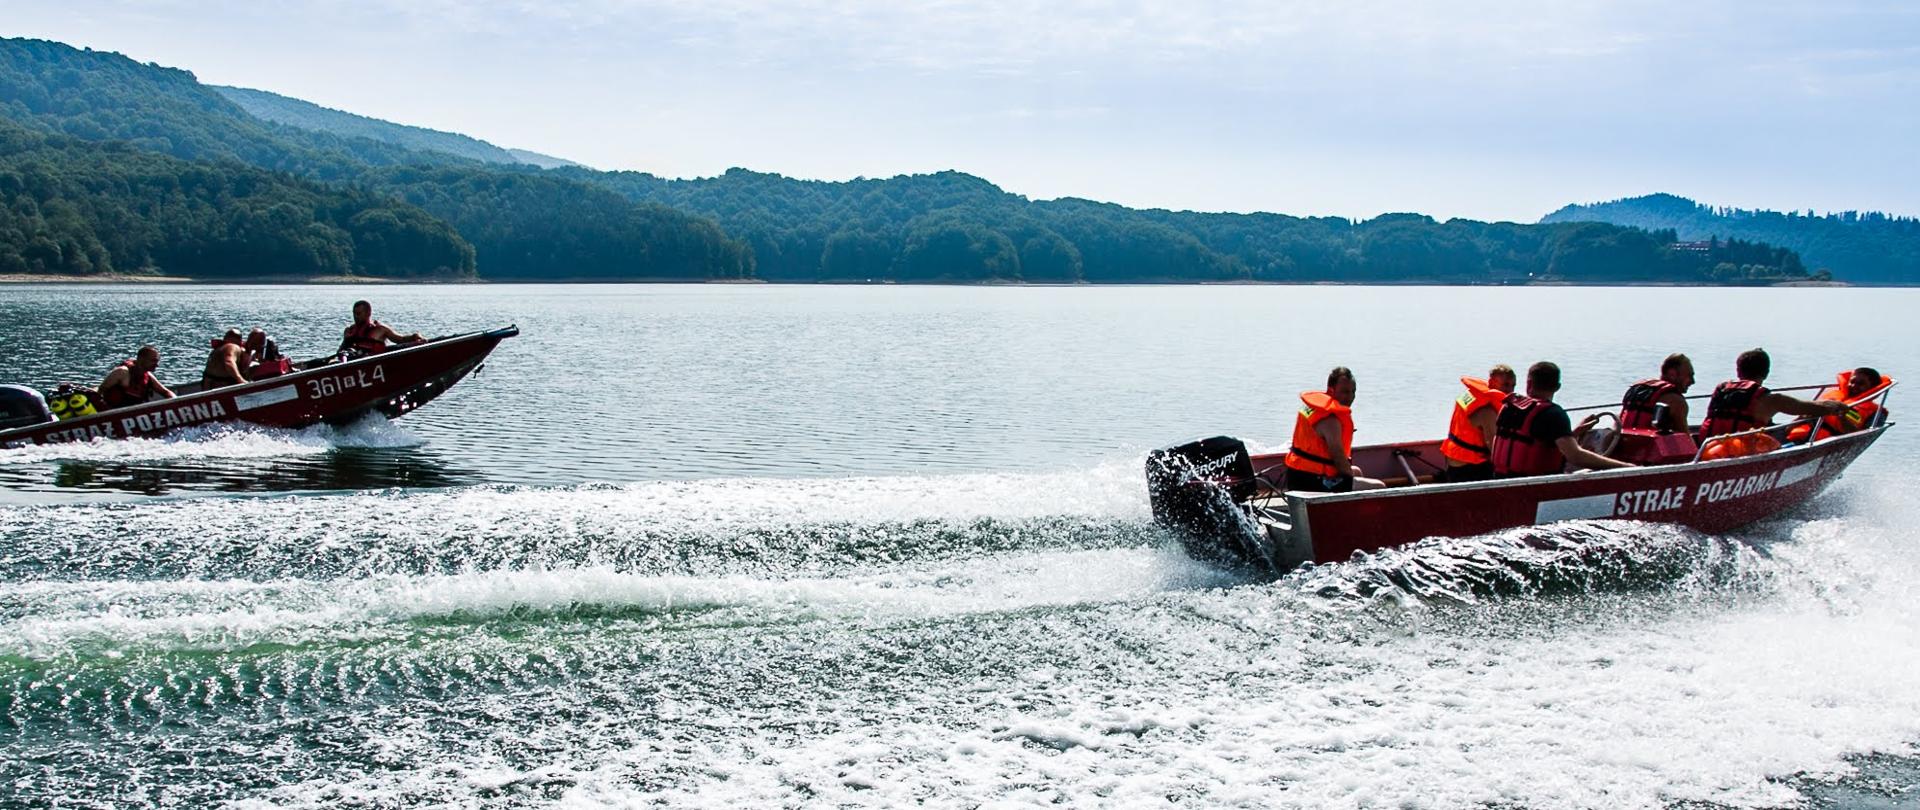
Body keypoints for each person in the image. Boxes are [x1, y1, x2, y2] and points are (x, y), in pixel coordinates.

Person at [1491, 361, 1637, 478]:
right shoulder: (1553, 413)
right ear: (1558, 387)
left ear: (1529, 383)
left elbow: (1535, 441)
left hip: (1501, 481)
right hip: (1535, 489)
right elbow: (1576, 457)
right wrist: (1627, 468)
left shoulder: (1509, 407)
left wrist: (1575, 433)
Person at [1698, 348, 1848, 440]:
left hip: (1708, 448)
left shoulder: (1720, 391)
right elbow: (1810, 408)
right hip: (1741, 452)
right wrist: (1836, 406)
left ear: (1738, 371)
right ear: (1766, 373)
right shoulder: (1771, 400)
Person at [1282, 367, 1387, 493]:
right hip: (1311, 482)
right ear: (1331, 390)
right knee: (1379, 487)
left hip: (1296, 474)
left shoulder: (1315, 409)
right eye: (1345, 392)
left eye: (1353, 392)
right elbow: (1339, 460)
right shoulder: (1330, 420)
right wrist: (1349, 479)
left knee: (1357, 471)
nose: (1350, 397)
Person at [1437, 364, 1517, 483]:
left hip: (1453, 457)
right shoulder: (1487, 410)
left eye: (1513, 385)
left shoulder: (1469, 395)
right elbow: (1495, 449)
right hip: (1468, 466)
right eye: (1505, 385)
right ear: (1491, 382)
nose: (1510, 390)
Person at [1786, 367, 1891, 443]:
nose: (1854, 386)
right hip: (1799, 437)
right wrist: (1805, 415)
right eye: (1852, 382)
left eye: (1861, 384)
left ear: (1872, 387)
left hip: (1829, 443)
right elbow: (1788, 428)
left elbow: (1860, 438)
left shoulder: (1875, 412)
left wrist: (1842, 417)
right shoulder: (1832, 396)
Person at [1618, 353, 1694, 434]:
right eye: (1690, 375)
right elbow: (1685, 440)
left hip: (1624, 443)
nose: (1693, 381)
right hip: (1650, 445)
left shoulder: (1636, 391)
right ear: (1672, 374)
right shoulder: (1676, 401)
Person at [98, 345, 176, 409]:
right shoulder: (122, 372)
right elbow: (99, 393)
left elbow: (166, 392)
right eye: (153, 361)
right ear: (141, 359)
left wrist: (176, 401)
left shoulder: (148, 376)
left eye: (157, 361)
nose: (157, 365)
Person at [340, 300, 425, 358]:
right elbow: (341, 351)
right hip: (353, 361)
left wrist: (415, 336)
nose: (355, 316)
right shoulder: (349, 330)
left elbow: (401, 339)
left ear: (368, 313)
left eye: (358, 314)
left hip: (373, 362)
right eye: (354, 313)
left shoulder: (381, 329)